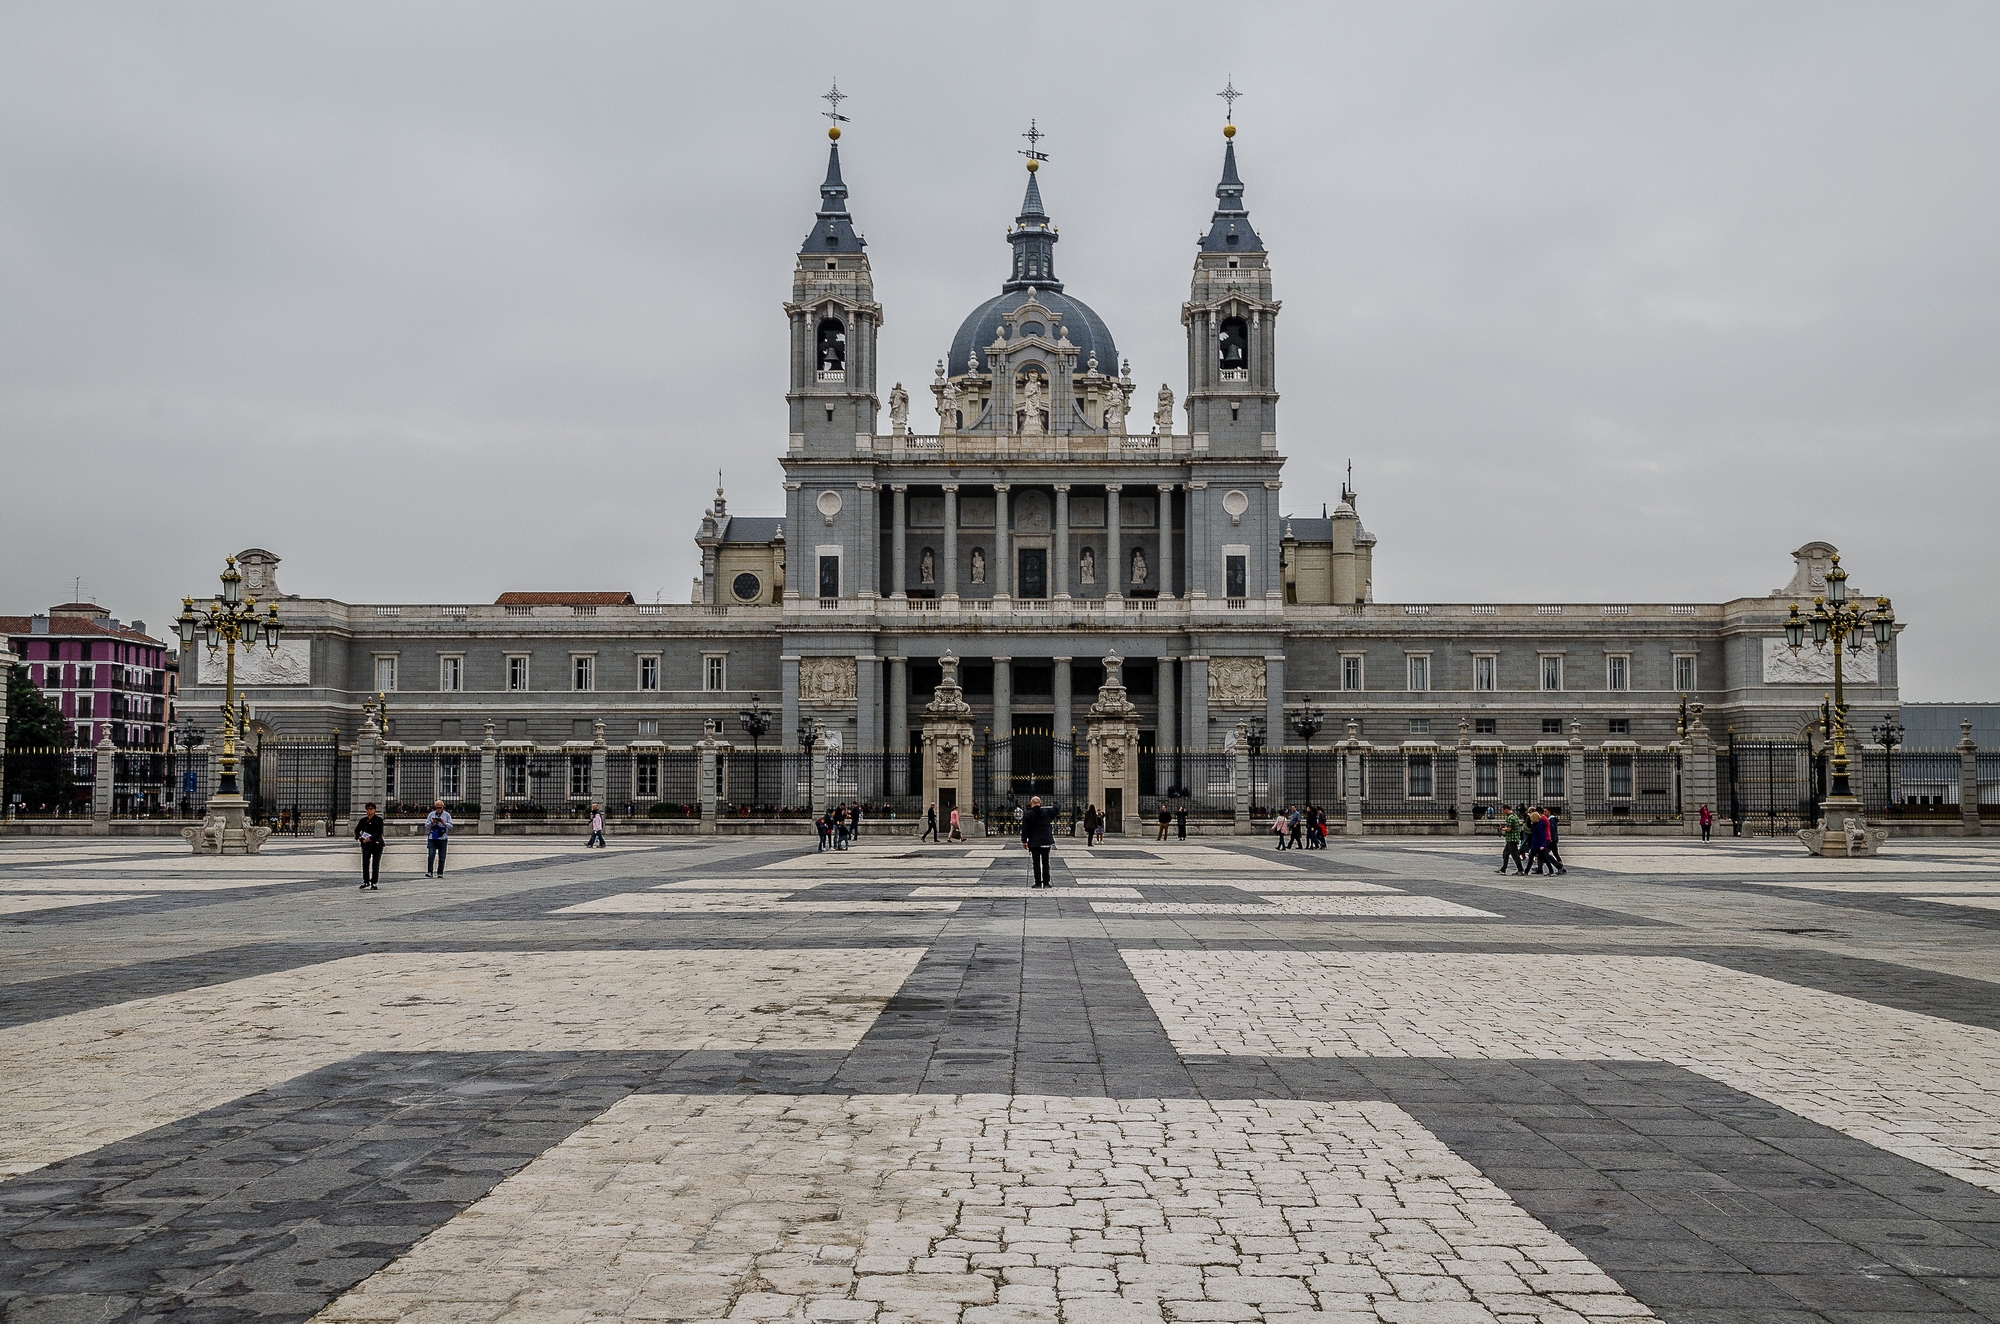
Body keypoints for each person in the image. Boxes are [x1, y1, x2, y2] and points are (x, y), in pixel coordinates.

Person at [1021, 793, 1058, 888]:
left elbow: (1025, 829)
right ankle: (1046, 882)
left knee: (1036, 862)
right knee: (1046, 862)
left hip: (1034, 841)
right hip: (1046, 840)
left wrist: (1024, 841)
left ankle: (1037, 882)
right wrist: (1055, 804)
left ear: (1031, 803)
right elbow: (1056, 809)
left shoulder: (1028, 814)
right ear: (1040, 803)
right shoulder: (1047, 813)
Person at [355, 801, 385, 890]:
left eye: (371, 809)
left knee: (375, 863)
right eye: (367, 809)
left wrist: (370, 838)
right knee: (365, 863)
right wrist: (360, 837)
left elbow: (379, 832)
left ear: (374, 810)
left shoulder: (379, 820)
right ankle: (366, 881)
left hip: (376, 844)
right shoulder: (363, 820)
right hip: (366, 845)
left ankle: (374, 882)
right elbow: (357, 830)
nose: (369, 811)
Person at [423, 799, 453, 877]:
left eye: (440, 807)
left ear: (443, 807)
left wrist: (444, 823)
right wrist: (432, 822)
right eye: (437, 808)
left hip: (442, 838)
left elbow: (451, 826)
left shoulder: (447, 815)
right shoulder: (431, 814)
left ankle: (440, 872)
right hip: (432, 837)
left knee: (442, 856)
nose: (438, 809)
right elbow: (426, 825)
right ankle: (430, 871)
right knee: (431, 855)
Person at [1499, 804, 1528, 875]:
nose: (1503, 812)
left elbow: (1509, 829)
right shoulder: (1515, 816)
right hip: (1513, 838)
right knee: (1505, 854)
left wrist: (1502, 829)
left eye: (1503, 810)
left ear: (1506, 809)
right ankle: (1503, 869)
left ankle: (1520, 869)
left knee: (1515, 855)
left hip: (1511, 839)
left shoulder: (1510, 818)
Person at [1543, 807, 1567, 874]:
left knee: (1545, 854)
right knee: (1555, 854)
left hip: (1551, 839)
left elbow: (1552, 830)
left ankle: (1560, 866)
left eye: (1545, 811)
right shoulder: (1550, 819)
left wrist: (1551, 838)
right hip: (1553, 839)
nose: (1544, 813)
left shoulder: (1551, 820)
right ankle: (1561, 867)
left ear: (1549, 811)